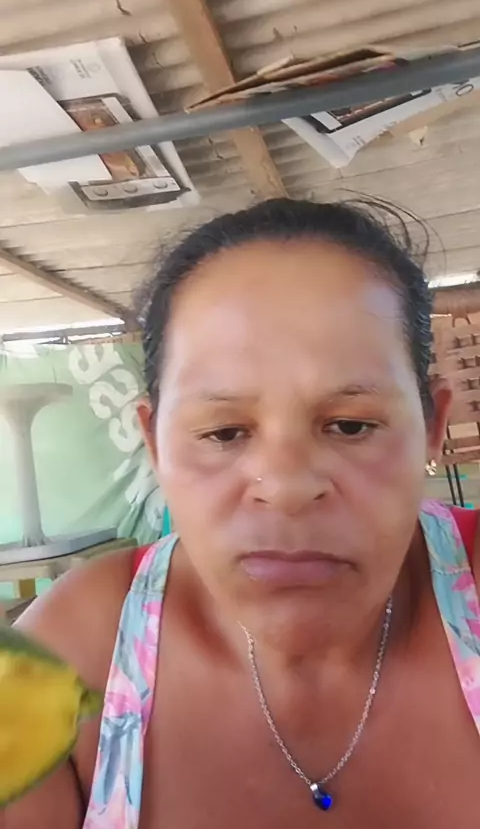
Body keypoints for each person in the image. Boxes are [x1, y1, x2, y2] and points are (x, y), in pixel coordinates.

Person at [5, 198, 480, 829]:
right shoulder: (63, 664)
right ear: (154, 444)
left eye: (350, 425)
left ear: (431, 427)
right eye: (224, 432)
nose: (285, 488)